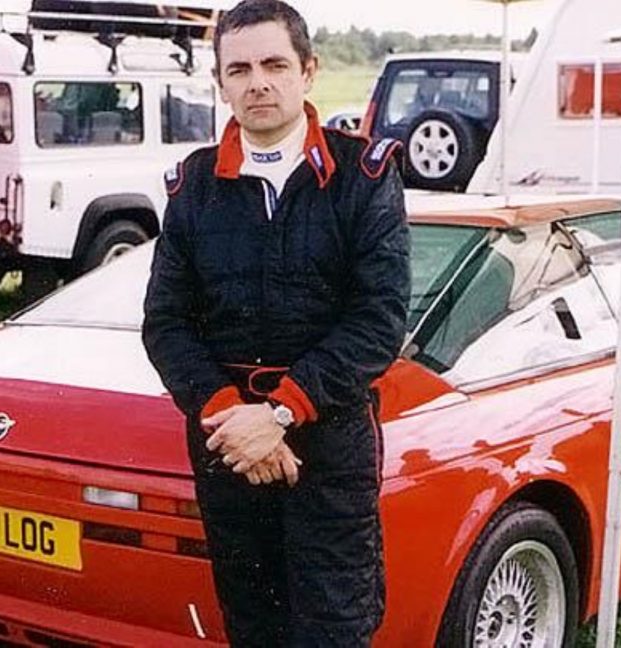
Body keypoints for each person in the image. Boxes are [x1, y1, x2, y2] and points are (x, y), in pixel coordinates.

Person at [141, 1, 410, 645]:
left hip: (328, 443)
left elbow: (379, 318)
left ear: (308, 71)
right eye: (239, 69)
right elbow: (166, 323)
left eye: (274, 64)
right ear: (220, 83)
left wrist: (281, 413)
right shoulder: (193, 186)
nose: (257, 81)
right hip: (227, 443)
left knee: (333, 628)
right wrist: (233, 419)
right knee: (254, 626)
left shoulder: (364, 175)